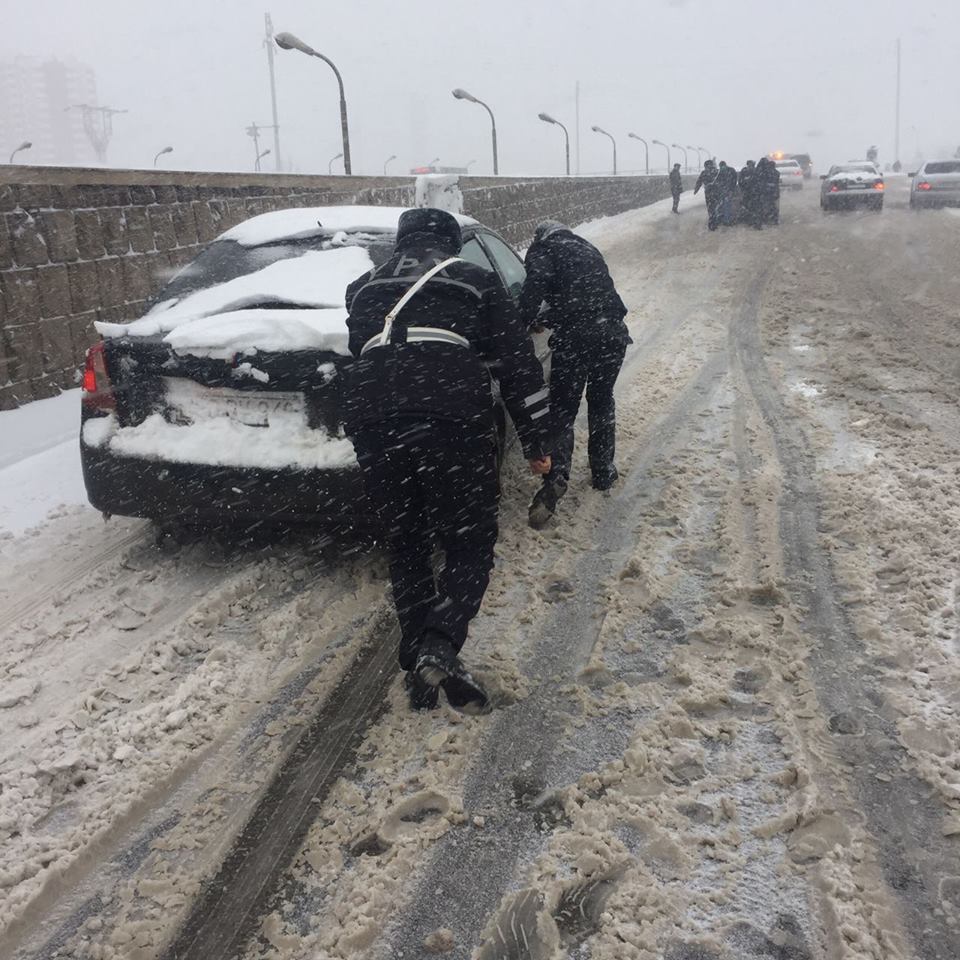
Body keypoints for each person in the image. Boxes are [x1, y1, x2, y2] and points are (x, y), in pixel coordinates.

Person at [341, 207, 552, 713]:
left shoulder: (363, 288)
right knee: (469, 540)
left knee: (407, 541)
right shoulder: (473, 279)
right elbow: (517, 364)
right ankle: (439, 644)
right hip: (449, 411)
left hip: (372, 416)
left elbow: (362, 348)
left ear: (401, 242)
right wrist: (537, 441)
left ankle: (418, 671)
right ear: (452, 243)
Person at [517, 221, 630, 529]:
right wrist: (551, 313)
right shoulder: (586, 248)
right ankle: (603, 471)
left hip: (577, 338)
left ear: (540, 236)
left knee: (563, 409)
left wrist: (521, 322)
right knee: (601, 401)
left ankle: (555, 480)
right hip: (613, 334)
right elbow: (588, 293)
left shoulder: (543, 250)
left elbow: (535, 287)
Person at [693, 159, 720, 230]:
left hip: (709, 193)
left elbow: (699, 181)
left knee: (710, 208)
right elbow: (722, 181)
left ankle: (712, 223)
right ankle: (715, 222)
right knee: (715, 207)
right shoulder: (716, 171)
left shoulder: (704, 172)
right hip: (716, 192)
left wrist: (696, 190)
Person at [738, 160, 762, 229]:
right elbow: (740, 182)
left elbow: (759, 181)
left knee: (754, 209)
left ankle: (756, 223)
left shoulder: (756, 171)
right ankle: (752, 222)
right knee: (749, 208)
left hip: (754, 194)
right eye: (749, 165)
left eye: (751, 165)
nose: (750, 166)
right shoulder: (745, 171)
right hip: (748, 193)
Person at [717, 161, 739, 225]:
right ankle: (727, 218)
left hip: (730, 190)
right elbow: (718, 180)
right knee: (725, 204)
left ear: (725, 165)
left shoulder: (731, 170)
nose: (721, 168)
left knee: (727, 204)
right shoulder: (721, 172)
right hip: (724, 190)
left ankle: (727, 219)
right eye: (720, 167)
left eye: (722, 166)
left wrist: (731, 190)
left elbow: (734, 180)